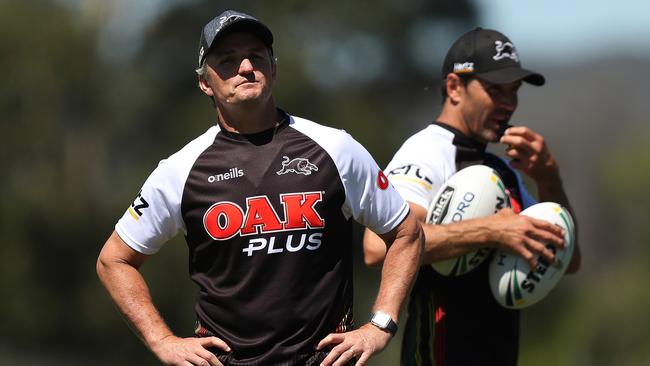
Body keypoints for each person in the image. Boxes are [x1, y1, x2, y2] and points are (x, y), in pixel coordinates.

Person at [96, 10, 423, 366]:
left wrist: (380, 325)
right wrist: (162, 340)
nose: (246, 67)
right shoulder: (179, 170)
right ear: (206, 82)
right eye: (228, 60)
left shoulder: (336, 149)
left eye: (257, 55)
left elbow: (406, 233)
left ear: (274, 68)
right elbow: (114, 260)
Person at [363, 28, 581, 366]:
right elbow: (378, 247)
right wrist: (490, 232)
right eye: (496, 90)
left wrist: (549, 180)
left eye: (514, 91)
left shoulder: (500, 167)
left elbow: (567, 260)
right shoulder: (426, 153)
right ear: (454, 87)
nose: (509, 104)